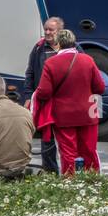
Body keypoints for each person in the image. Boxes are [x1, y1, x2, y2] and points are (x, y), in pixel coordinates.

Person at [33, 29, 105, 175]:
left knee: (68, 153)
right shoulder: (87, 60)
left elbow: (44, 92)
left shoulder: (51, 63)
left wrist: (35, 96)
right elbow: (100, 87)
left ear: (58, 43)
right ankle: (93, 180)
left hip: (63, 116)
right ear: (74, 42)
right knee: (89, 151)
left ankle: (69, 183)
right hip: (87, 114)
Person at [23, 16, 75, 174]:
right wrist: (28, 96)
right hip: (45, 101)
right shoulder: (39, 48)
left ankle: (70, 172)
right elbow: (30, 72)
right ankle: (50, 172)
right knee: (47, 138)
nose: (47, 32)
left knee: (68, 139)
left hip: (65, 102)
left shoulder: (73, 48)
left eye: (51, 30)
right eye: (45, 29)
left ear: (59, 31)